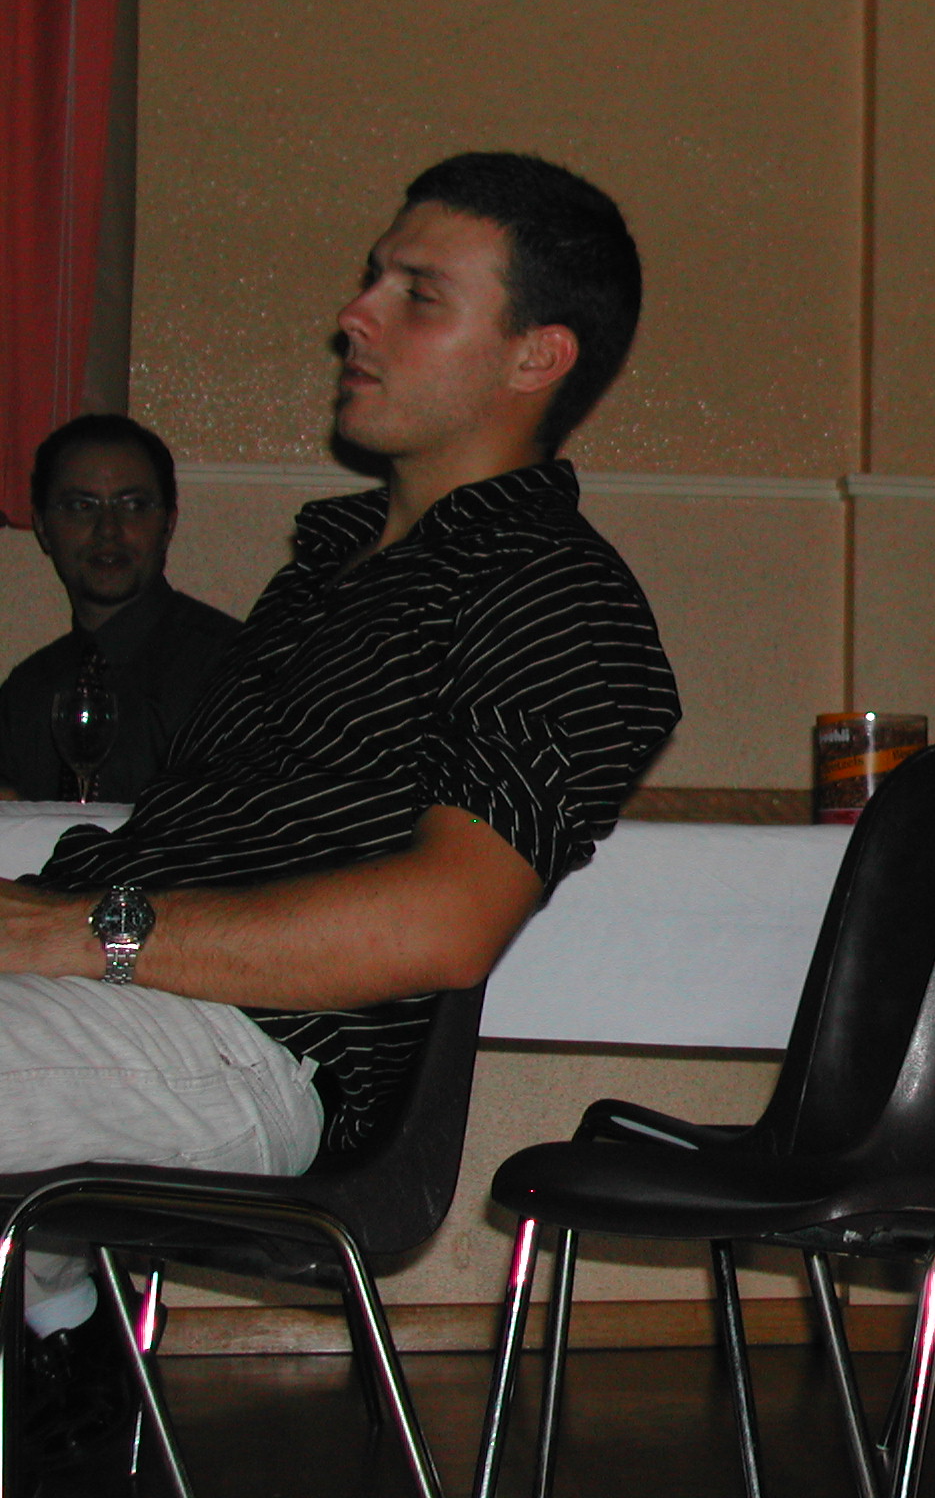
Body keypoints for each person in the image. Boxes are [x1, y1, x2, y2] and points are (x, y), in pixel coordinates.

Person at [0, 151, 680, 1454]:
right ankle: (59, 1322)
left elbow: (445, 923)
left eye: (417, 294)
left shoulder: (559, 598)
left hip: (255, 1054)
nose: (353, 314)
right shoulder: (324, 573)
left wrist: (78, 932)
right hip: (133, 1004)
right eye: (375, 277)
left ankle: (55, 1319)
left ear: (535, 356)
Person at [0, 415, 240, 802]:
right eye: (81, 506)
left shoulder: (231, 670)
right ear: (43, 528)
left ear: (168, 524)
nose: (108, 529)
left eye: (133, 505)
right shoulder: (26, 693)